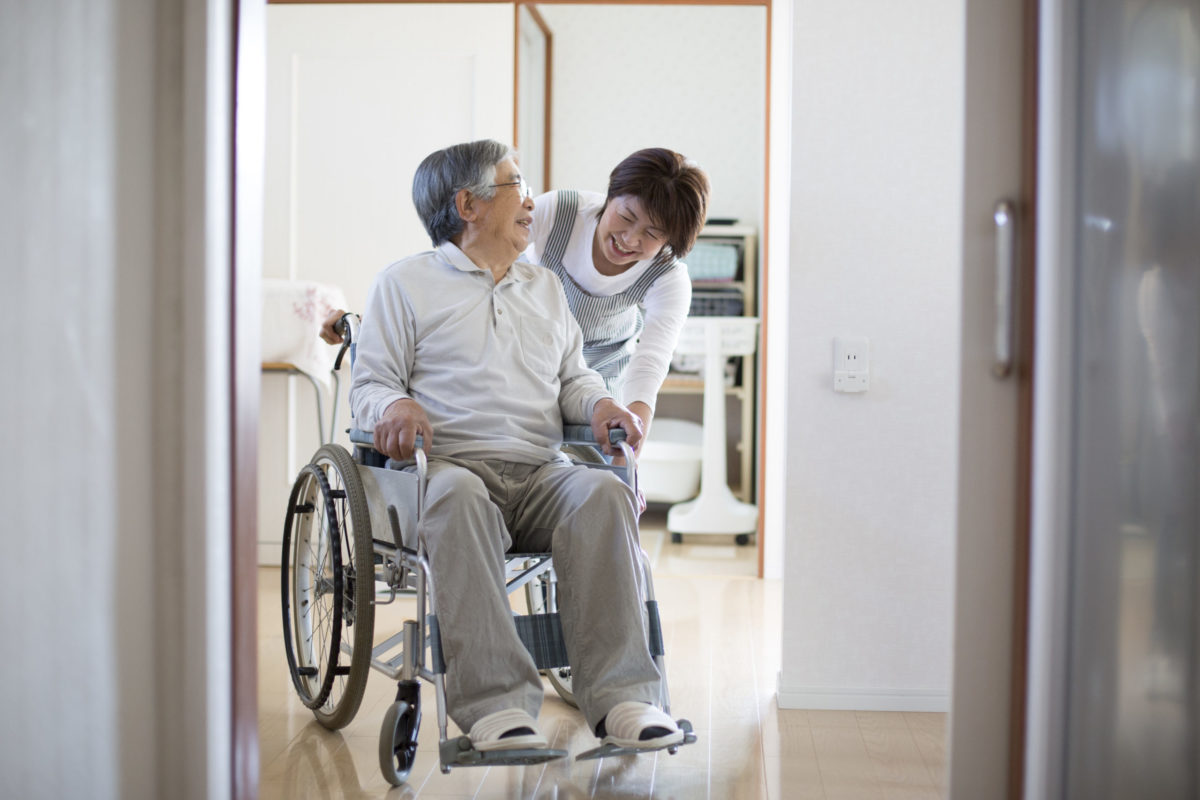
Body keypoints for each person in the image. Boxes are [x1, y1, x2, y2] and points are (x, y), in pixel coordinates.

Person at [349, 138, 685, 754]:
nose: (532, 199)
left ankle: (624, 699)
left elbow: (574, 379)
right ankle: (498, 707)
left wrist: (603, 404)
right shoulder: (404, 284)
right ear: (468, 205)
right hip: (450, 466)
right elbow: (370, 384)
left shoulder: (546, 289)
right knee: (454, 496)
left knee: (601, 493)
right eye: (516, 185)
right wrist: (394, 406)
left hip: (538, 471)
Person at [327, 147, 710, 449]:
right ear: (610, 197)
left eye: (653, 234)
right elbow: (463, 256)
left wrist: (633, 429)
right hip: (532, 362)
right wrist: (374, 315)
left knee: (603, 479)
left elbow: (650, 363)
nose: (631, 240)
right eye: (626, 218)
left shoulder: (668, 277)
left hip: (597, 377)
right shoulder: (558, 212)